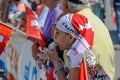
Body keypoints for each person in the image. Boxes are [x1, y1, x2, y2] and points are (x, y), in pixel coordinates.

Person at [58, 0, 115, 80]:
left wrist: (56, 64)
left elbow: (70, 71)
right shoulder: (94, 19)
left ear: (66, 4)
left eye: (60, 3)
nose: (59, 7)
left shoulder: (71, 24)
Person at [48, 13, 110, 80]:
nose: (55, 37)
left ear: (70, 37)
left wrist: (55, 62)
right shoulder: (78, 51)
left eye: (57, 33)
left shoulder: (78, 58)